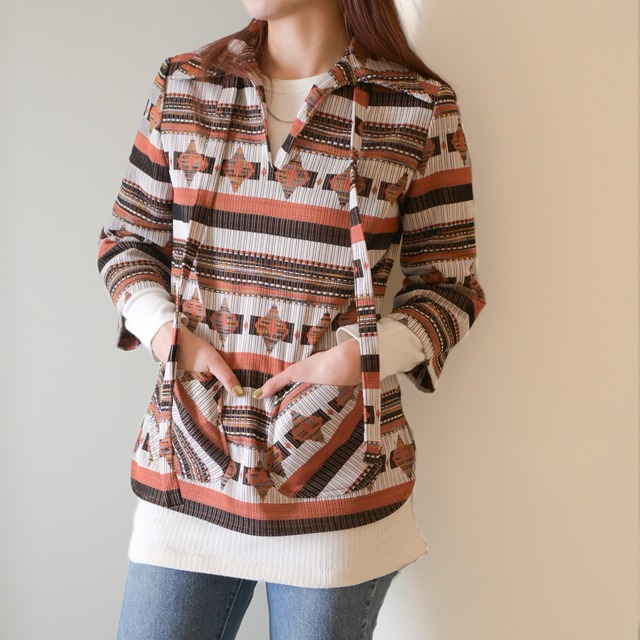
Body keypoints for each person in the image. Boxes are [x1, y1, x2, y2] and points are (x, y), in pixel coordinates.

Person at [98, 1, 486, 638]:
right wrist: (167, 333)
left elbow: (450, 289)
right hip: (188, 469)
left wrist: (360, 357)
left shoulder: (417, 107)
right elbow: (126, 242)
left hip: (340, 484)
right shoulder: (185, 85)